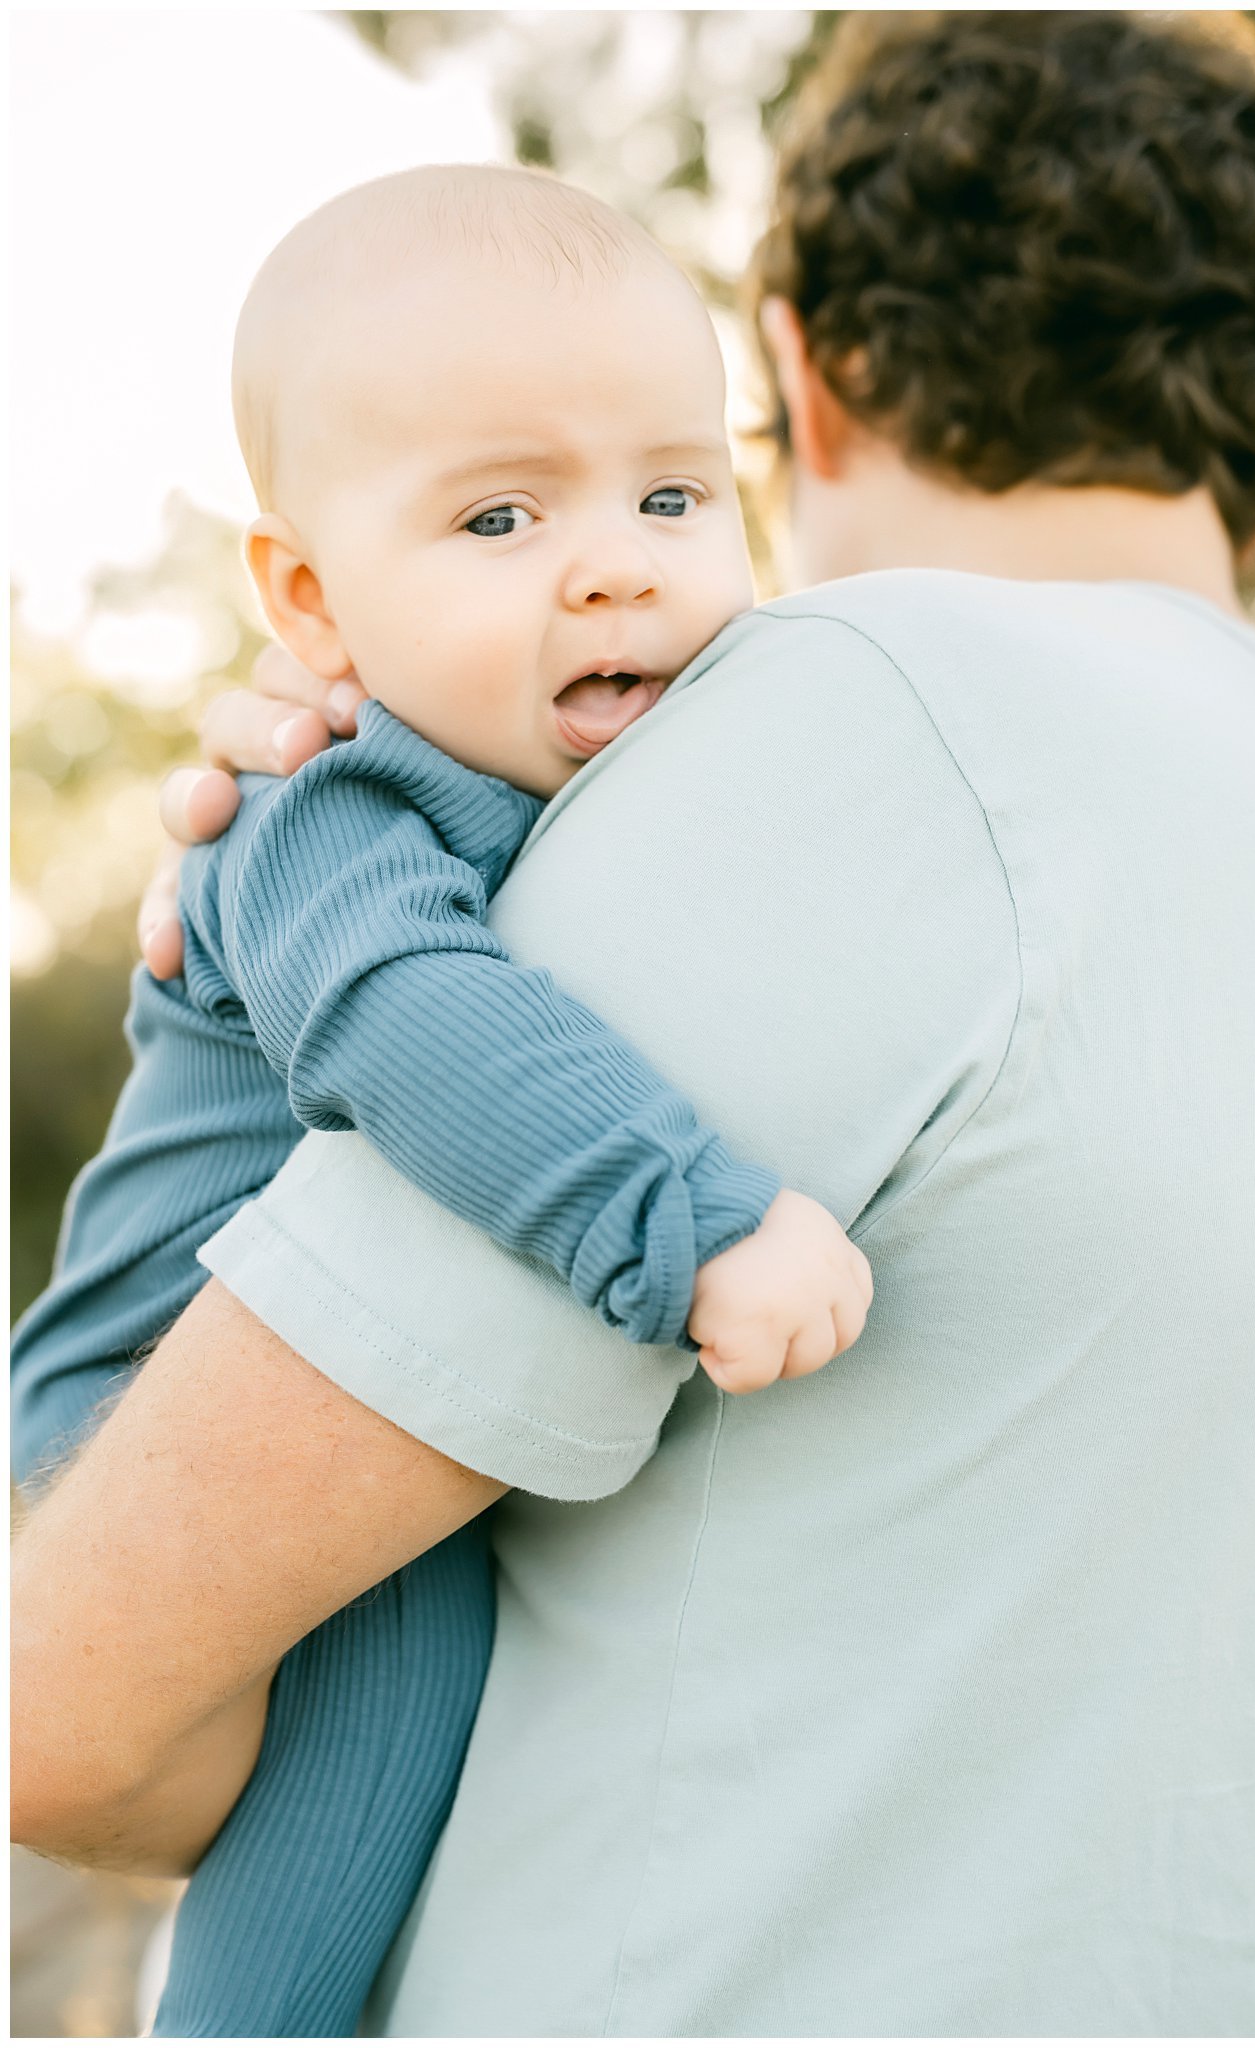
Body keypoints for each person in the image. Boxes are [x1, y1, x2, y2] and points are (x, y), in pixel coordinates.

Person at [13, 11, 1255, 2035]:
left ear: (798, 380)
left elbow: (71, 1711)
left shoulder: (847, 727)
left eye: (663, 491)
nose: (609, 575)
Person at [9, 165, 872, 2037]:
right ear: (312, 602)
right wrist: (698, 1222)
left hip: (294, 1365)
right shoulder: (326, 819)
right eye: (499, 513)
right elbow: (419, 1025)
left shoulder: (627, 776)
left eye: (671, 493)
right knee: (393, 1693)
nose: (614, 561)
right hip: (154, 1407)